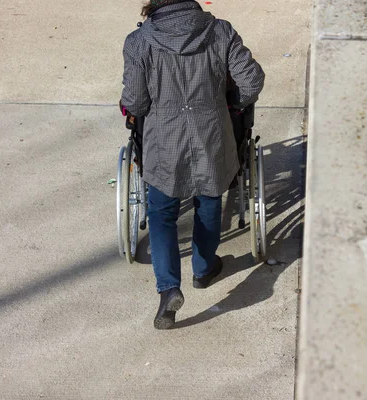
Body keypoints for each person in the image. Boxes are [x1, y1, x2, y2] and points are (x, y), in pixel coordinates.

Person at [120, 0, 265, 330]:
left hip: (164, 143)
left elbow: (137, 102)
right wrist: (231, 103)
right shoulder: (220, 32)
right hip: (211, 136)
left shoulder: (139, 42)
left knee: (161, 212)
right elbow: (252, 82)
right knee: (209, 200)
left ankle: (169, 287)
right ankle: (203, 269)